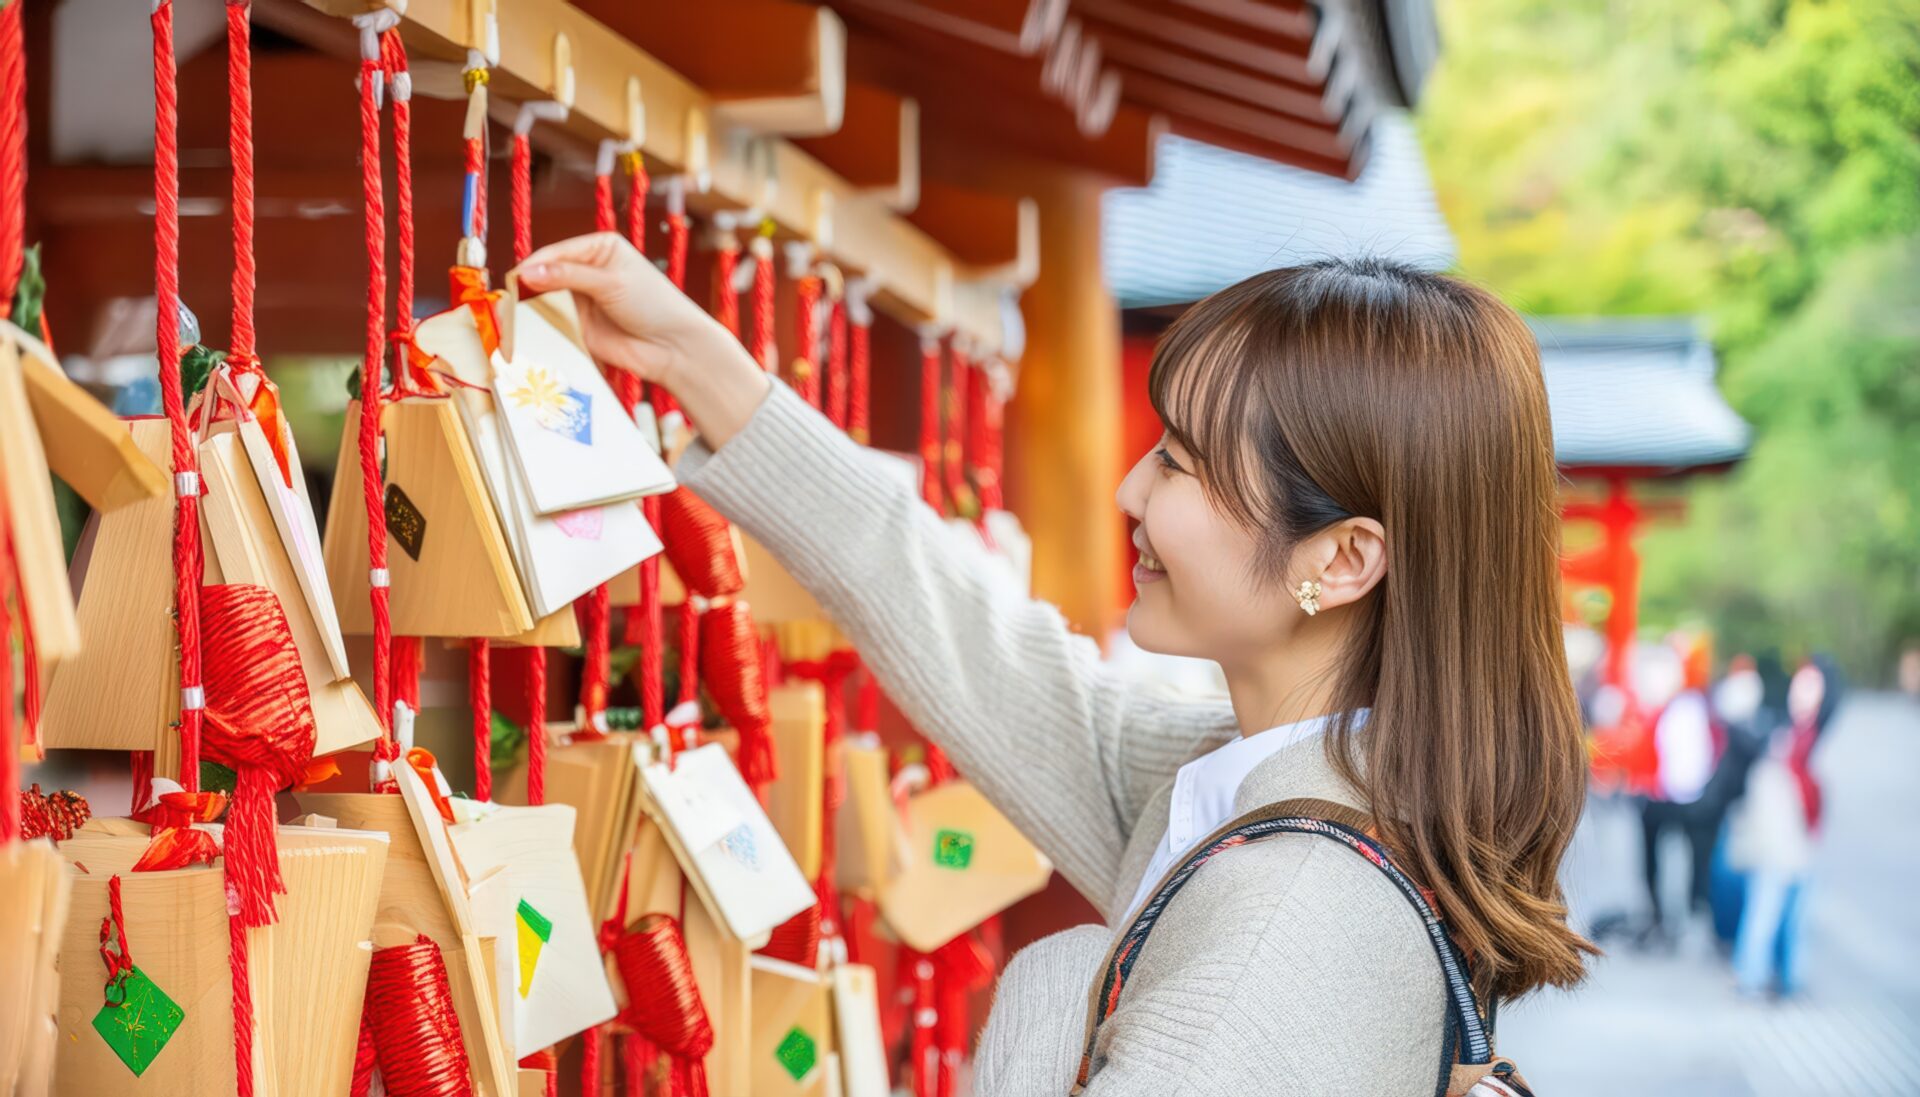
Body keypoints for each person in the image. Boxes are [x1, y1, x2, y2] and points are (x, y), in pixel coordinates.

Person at [519, 237, 1596, 1094]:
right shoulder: (1267, 791)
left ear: (1343, 558)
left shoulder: (1282, 918)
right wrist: (701, 365)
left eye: (1179, 463)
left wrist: (1052, 993)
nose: (1130, 492)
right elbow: (981, 645)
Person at [1727, 659, 1827, 997]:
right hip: (1777, 839)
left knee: (1791, 912)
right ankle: (1753, 975)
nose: (1803, 693)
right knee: (1766, 905)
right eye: (1800, 684)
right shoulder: (1781, 732)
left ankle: (1787, 976)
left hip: (1799, 838)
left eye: (1811, 685)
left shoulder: (1814, 735)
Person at [1637, 634, 1720, 944]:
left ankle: (1684, 918)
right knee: (1656, 859)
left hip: (1685, 798)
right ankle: (1660, 915)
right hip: (1666, 795)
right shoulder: (1667, 706)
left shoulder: (1688, 705)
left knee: (1691, 862)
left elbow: (1689, 760)